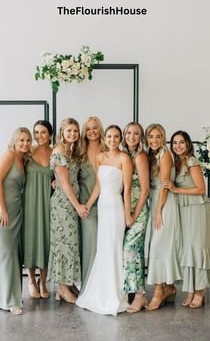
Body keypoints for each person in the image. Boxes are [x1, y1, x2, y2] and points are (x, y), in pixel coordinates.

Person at [76, 125, 133, 316]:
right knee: (104, 248)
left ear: (120, 139)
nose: (112, 140)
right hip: (102, 206)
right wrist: (87, 205)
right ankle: (100, 292)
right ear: (105, 137)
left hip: (116, 207)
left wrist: (127, 214)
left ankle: (115, 294)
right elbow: (98, 186)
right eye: (109, 136)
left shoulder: (124, 158)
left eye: (116, 137)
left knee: (114, 247)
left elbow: (127, 189)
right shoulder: (100, 157)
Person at [163, 130, 210, 308]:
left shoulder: (192, 161)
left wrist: (176, 190)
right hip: (184, 210)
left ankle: (200, 291)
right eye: (175, 143)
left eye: (181, 142)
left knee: (198, 247)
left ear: (188, 144)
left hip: (197, 209)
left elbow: (201, 189)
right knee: (188, 249)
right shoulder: (177, 162)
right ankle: (191, 289)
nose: (178, 146)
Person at [0, 127, 32, 315]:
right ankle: (10, 301)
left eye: (27, 140)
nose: (24, 143)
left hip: (16, 212)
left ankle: (3, 296)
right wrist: (3, 209)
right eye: (21, 140)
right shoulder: (8, 155)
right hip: (2, 211)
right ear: (14, 140)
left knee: (12, 255)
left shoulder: (22, 159)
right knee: (5, 254)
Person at [47, 118, 88, 303]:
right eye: (69, 130)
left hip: (70, 202)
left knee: (70, 242)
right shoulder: (59, 151)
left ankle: (67, 284)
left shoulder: (70, 151)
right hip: (64, 204)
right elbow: (64, 182)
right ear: (62, 132)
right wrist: (77, 205)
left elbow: (63, 177)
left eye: (75, 131)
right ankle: (62, 288)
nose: (72, 134)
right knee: (64, 242)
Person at [144, 123, 182, 311]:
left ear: (163, 137)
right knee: (160, 245)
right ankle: (170, 288)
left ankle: (158, 291)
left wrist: (159, 209)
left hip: (164, 203)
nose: (154, 140)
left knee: (158, 245)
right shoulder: (152, 155)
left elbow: (165, 185)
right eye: (151, 136)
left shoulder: (165, 155)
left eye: (158, 136)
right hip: (155, 203)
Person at [121, 122, 150, 313]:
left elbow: (145, 190)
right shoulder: (124, 155)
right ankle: (134, 292)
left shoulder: (139, 157)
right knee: (136, 252)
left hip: (137, 213)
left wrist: (133, 215)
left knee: (129, 249)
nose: (132, 136)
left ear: (140, 138)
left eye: (136, 134)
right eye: (128, 133)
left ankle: (139, 295)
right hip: (124, 211)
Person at [23, 120, 54, 299]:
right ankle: (31, 281)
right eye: (36, 132)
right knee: (31, 239)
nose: (39, 136)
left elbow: (63, 174)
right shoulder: (27, 151)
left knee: (46, 240)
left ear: (50, 134)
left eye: (43, 132)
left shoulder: (55, 152)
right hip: (29, 201)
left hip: (48, 202)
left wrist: (56, 181)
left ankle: (43, 282)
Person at [79, 117, 106, 293]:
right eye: (88, 129)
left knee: (106, 244)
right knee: (90, 245)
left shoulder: (108, 148)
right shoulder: (79, 150)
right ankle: (88, 286)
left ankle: (105, 285)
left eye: (95, 128)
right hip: (86, 204)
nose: (92, 131)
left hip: (106, 203)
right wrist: (55, 181)